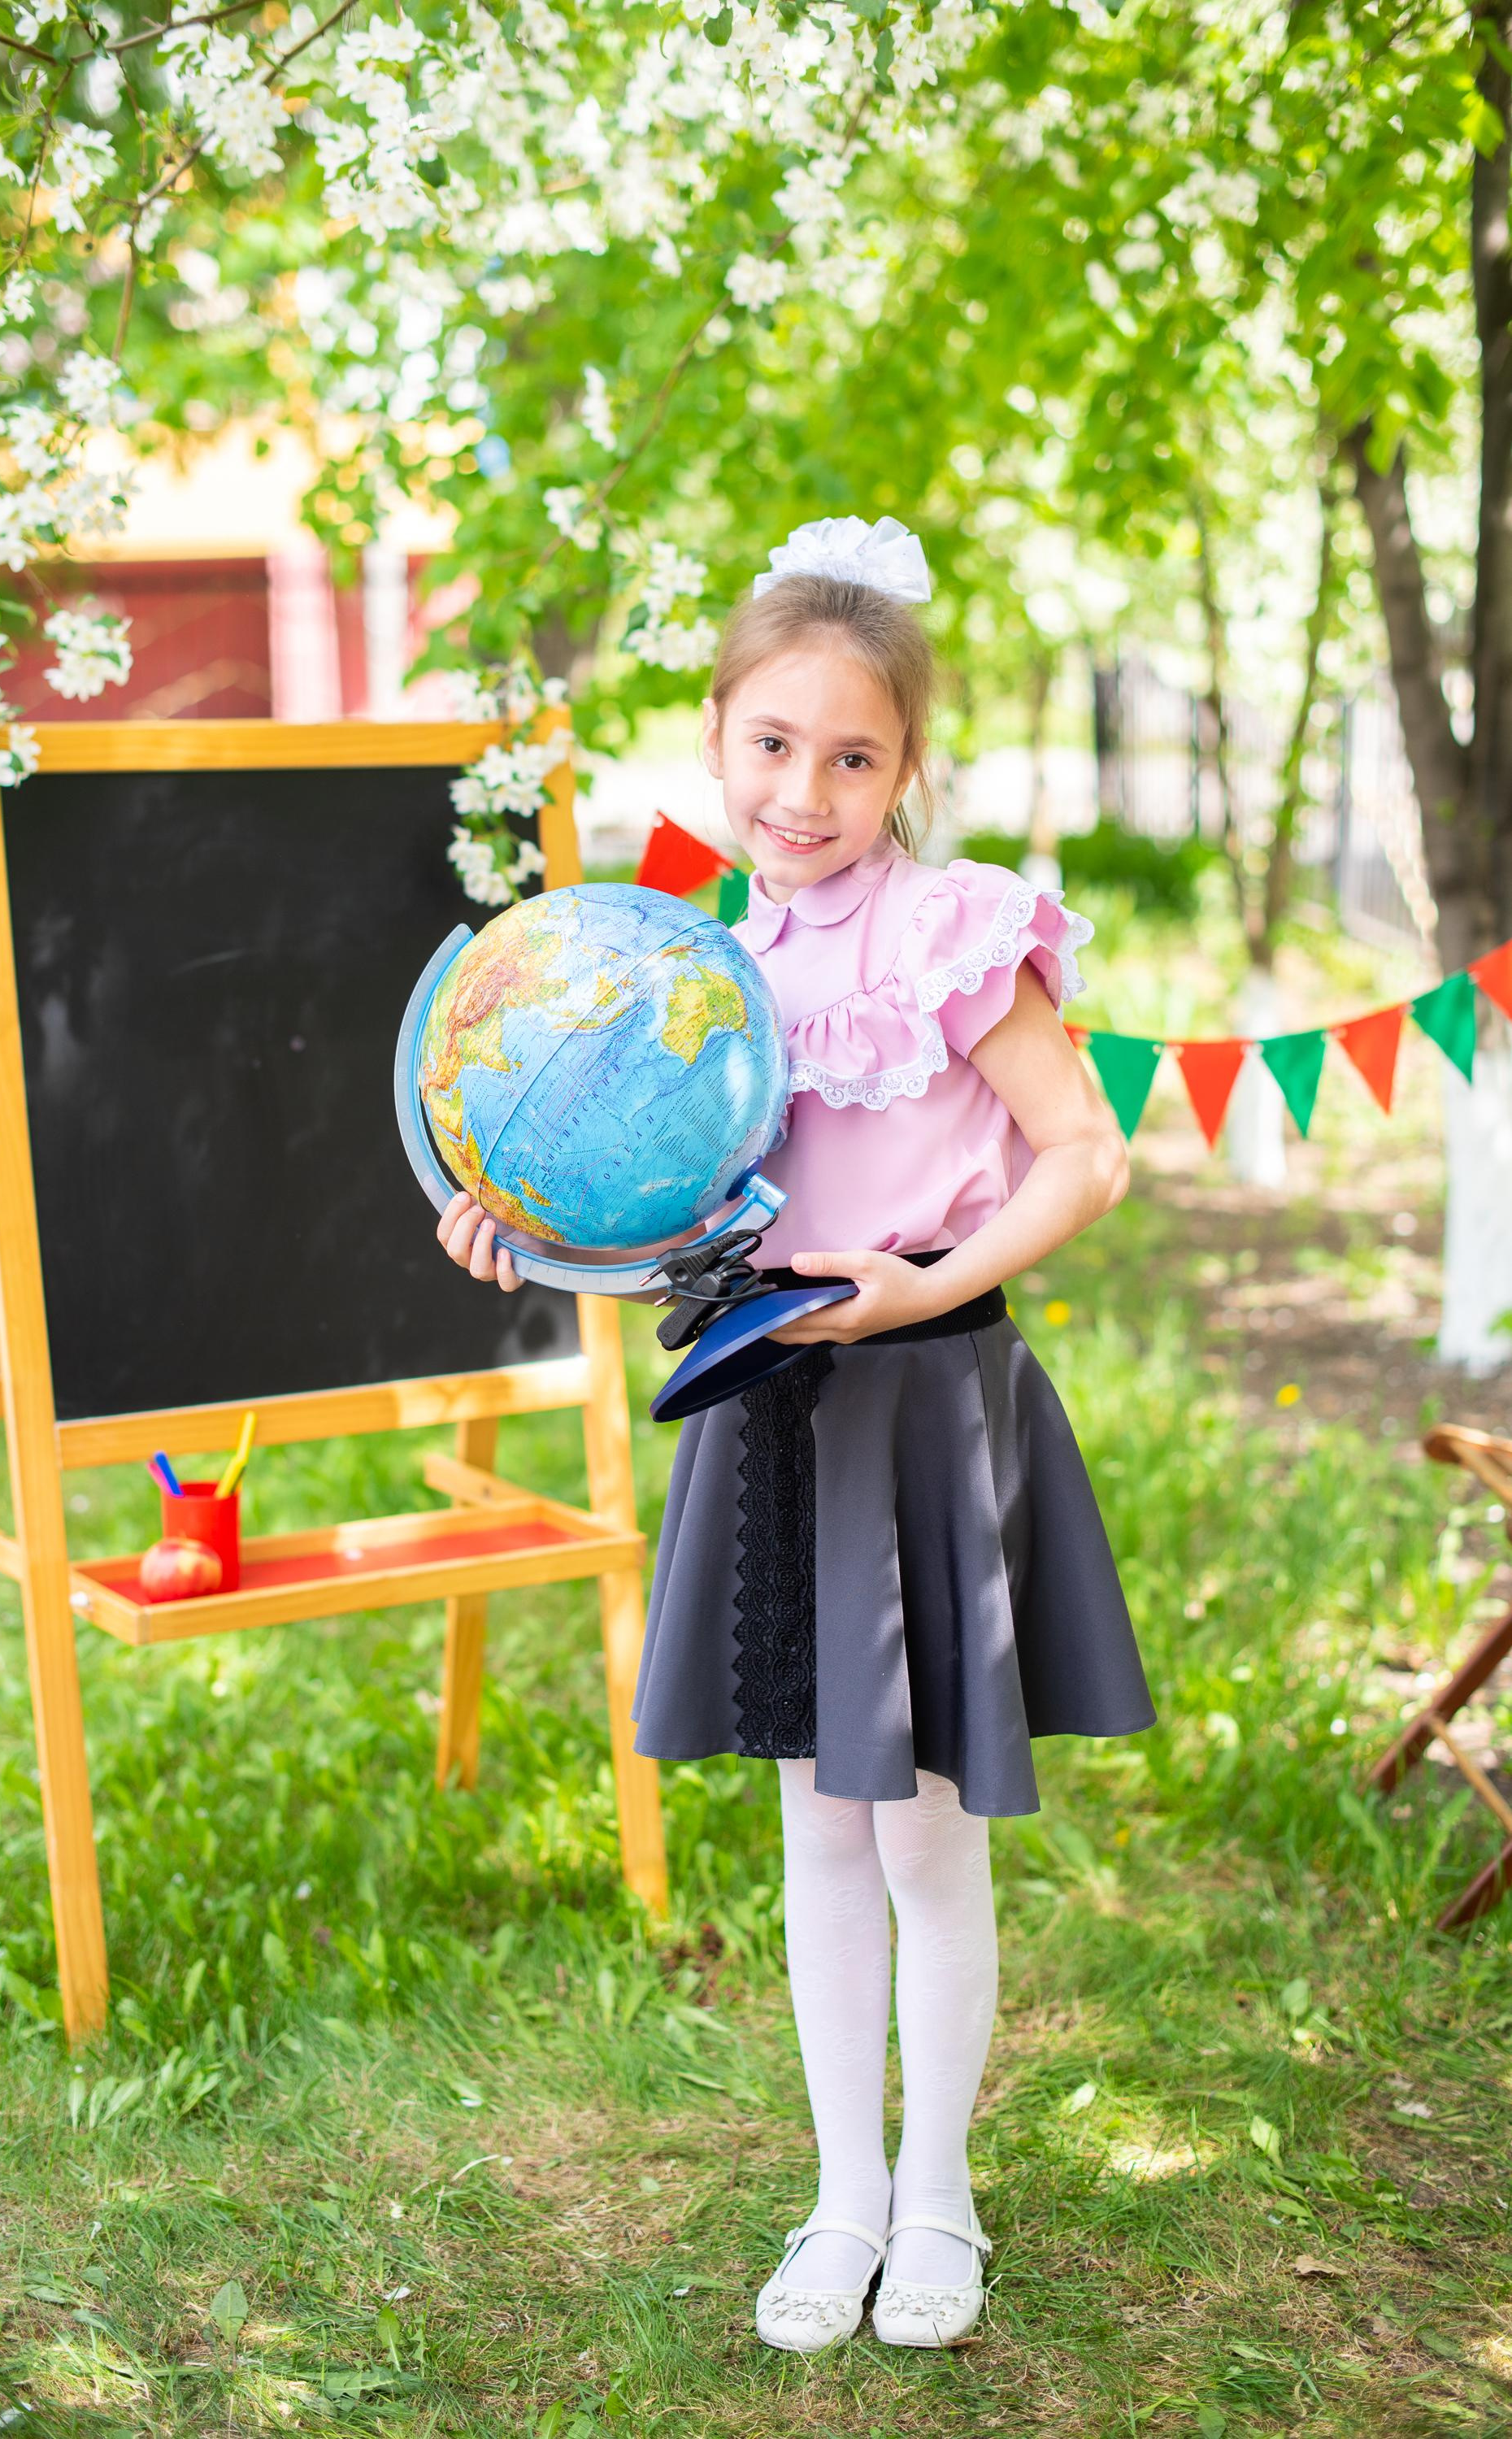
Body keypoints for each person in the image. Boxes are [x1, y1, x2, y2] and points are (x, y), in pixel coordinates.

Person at [436, 513, 1155, 2355]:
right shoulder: (696, 976)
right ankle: (840, 2195)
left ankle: (940, 2202)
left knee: (918, 1839)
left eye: (851, 753)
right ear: (715, 740)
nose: (806, 788)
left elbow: (1085, 1157)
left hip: (924, 1400)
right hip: (777, 1410)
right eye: (772, 743)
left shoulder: (951, 933)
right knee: (812, 1837)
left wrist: (923, 1287)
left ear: (903, 764)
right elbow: (689, 1247)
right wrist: (532, 1237)